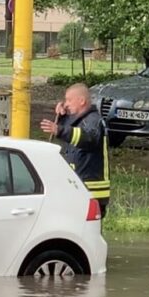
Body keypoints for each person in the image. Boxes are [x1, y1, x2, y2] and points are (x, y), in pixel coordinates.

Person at [39, 83, 110, 216]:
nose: (66, 104)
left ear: (82, 101)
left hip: (92, 192)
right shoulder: (78, 120)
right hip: (79, 189)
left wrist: (59, 129)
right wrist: (62, 117)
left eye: (69, 100)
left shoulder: (94, 120)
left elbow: (87, 138)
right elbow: (69, 133)